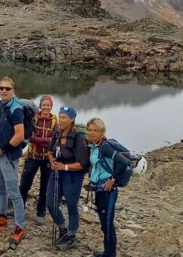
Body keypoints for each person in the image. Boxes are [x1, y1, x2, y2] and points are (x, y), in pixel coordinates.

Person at [0, 76, 26, 244]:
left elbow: (20, 135)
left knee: (14, 192)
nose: (3, 91)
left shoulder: (16, 109)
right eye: (1, 88)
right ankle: (2, 217)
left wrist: (4, 149)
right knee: (0, 188)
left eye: (7, 88)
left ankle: (20, 227)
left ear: (13, 91)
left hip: (7, 156)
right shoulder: (0, 106)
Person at [46, 105, 89, 251]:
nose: (61, 119)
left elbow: (83, 163)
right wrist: (52, 161)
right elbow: (50, 151)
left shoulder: (78, 137)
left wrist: (64, 167)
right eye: (60, 116)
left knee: (71, 205)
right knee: (51, 203)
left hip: (72, 175)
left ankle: (71, 236)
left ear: (71, 120)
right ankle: (63, 228)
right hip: (56, 174)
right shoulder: (57, 133)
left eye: (64, 117)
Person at [87, 118, 131, 257]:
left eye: (95, 130)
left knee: (107, 224)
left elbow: (124, 162)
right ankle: (107, 252)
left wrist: (113, 179)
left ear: (102, 132)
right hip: (100, 189)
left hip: (108, 191)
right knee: (104, 223)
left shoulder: (105, 146)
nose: (92, 132)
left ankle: (110, 254)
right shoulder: (95, 146)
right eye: (90, 129)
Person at [19, 95, 58, 225]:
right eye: (44, 105)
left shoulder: (54, 121)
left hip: (47, 158)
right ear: (40, 106)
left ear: (51, 106)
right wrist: (45, 141)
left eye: (48, 105)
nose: (46, 107)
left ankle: (41, 213)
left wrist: (39, 140)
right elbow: (29, 136)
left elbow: (55, 140)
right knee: (24, 183)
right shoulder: (33, 118)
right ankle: (19, 208)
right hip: (32, 156)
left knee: (45, 187)